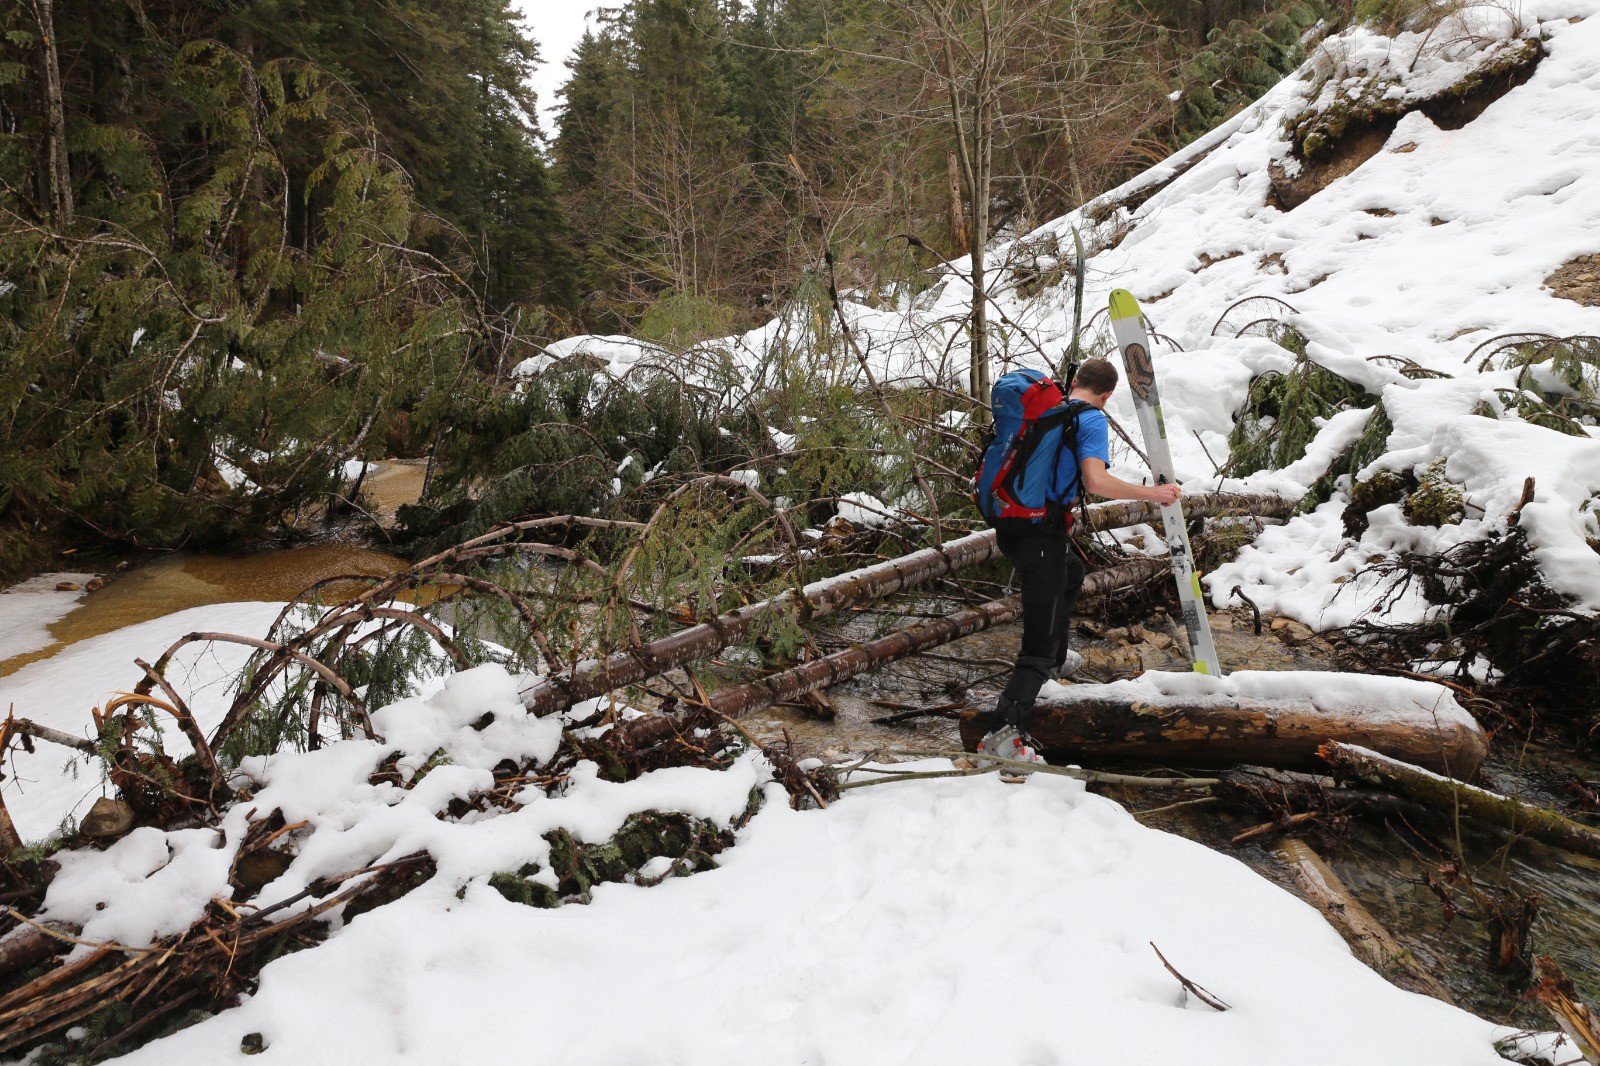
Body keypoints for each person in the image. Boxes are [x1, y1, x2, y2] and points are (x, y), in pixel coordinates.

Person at [980, 357, 1182, 765]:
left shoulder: (1052, 412)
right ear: (1106, 396)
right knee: (1035, 645)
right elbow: (1096, 481)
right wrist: (1153, 496)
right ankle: (1001, 740)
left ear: (1075, 383)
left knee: (1072, 572)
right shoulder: (1090, 420)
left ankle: (1056, 659)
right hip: (1040, 536)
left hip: (1014, 526)